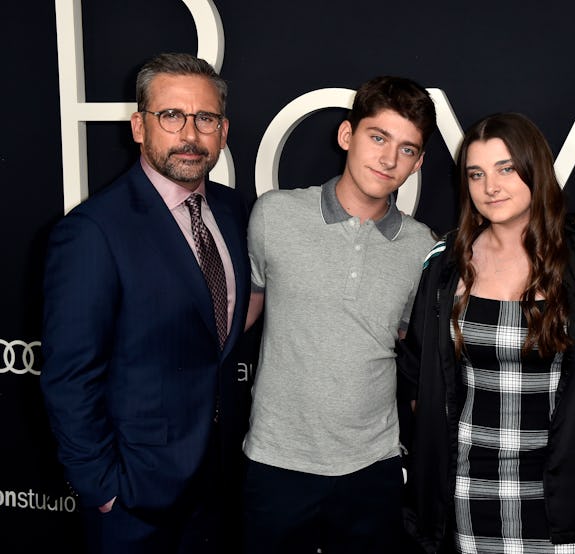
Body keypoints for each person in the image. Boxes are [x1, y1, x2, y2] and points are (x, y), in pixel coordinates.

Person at [40, 52, 250, 554]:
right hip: (136, 495)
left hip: (223, 482)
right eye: (171, 115)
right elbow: (70, 377)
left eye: (206, 118)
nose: (190, 135)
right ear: (139, 126)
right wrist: (103, 489)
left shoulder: (234, 210)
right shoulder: (93, 231)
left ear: (223, 131)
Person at [398, 112, 575, 553]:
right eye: (476, 174)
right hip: (469, 487)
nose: (490, 187)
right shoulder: (447, 263)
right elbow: (419, 377)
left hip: (561, 494)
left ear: (535, 169)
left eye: (506, 169)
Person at [241, 75, 438, 553]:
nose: (389, 159)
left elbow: (413, 351)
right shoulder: (274, 215)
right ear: (347, 134)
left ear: (418, 162)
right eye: (378, 138)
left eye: (407, 149)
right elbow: (238, 317)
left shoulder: (421, 247)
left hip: (373, 465)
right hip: (276, 460)